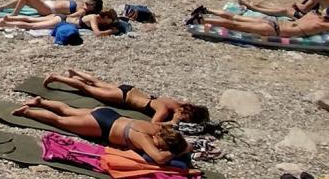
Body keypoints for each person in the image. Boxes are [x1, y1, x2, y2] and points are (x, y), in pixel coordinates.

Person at [11, 98, 194, 167]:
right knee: (60, 121)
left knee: (67, 109)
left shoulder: (160, 128)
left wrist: (184, 147)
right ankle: (27, 112)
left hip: (109, 114)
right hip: (101, 126)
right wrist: (176, 152)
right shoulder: (144, 138)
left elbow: (185, 143)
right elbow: (159, 158)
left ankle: (41, 101)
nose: (158, 147)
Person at [42, 69, 210, 124]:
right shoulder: (165, 109)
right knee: (88, 89)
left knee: (97, 82)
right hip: (123, 98)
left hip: (129, 89)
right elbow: (155, 123)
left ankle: (75, 71)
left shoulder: (175, 103)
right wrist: (172, 122)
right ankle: (56, 77)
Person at [190, 4, 329, 38]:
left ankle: (207, 11)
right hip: (276, 30)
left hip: (274, 21)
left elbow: (289, 10)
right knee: (236, 25)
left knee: (236, 18)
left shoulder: (312, 15)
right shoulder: (322, 24)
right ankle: (203, 20)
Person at [0, 7, 119, 36]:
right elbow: (97, 33)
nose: (111, 22)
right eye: (111, 20)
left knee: (30, 19)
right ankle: (5, 24)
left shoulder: (95, 17)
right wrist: (111, 31)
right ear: (106, 18)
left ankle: (8, 18)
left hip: (60, 16)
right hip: (61, 20)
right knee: (32, 25)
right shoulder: (94, 18)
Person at [0, 0, 102, 18]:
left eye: (90, 4)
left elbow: (71, 17)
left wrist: (58, 17)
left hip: (48, 9)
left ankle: (15, 13)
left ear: (93, 8)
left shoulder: (82, 11)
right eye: (89, 1)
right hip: (48, 4)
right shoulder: (83, 5)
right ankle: (1, 8)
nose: (87, 3)